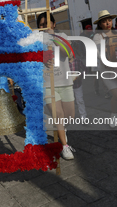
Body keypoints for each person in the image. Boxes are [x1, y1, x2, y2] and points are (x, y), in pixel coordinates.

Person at [38, 12, 75, 160]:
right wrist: (43, 59)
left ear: (53, 24)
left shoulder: (63, 37)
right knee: (59, 115)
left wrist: (52, 37)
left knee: (70, 116)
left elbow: (68, 51)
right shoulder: (36, 41)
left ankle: (61, 130)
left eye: (47, 23)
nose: (45, 26)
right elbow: (32, 60)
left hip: (65, 83)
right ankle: (65, 146)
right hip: (48, 85)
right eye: (41, 24)